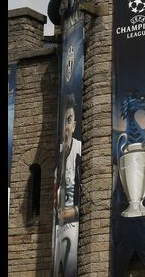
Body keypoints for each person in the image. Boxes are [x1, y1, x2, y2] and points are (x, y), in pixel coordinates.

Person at [54, 96, 82, 277]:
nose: (66, 125)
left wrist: (73, 212)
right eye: (64, 120)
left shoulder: (79, 149)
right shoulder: (59, 153)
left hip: (73, 224)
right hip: (59, 225)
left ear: (74, 125)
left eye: (70, 120)